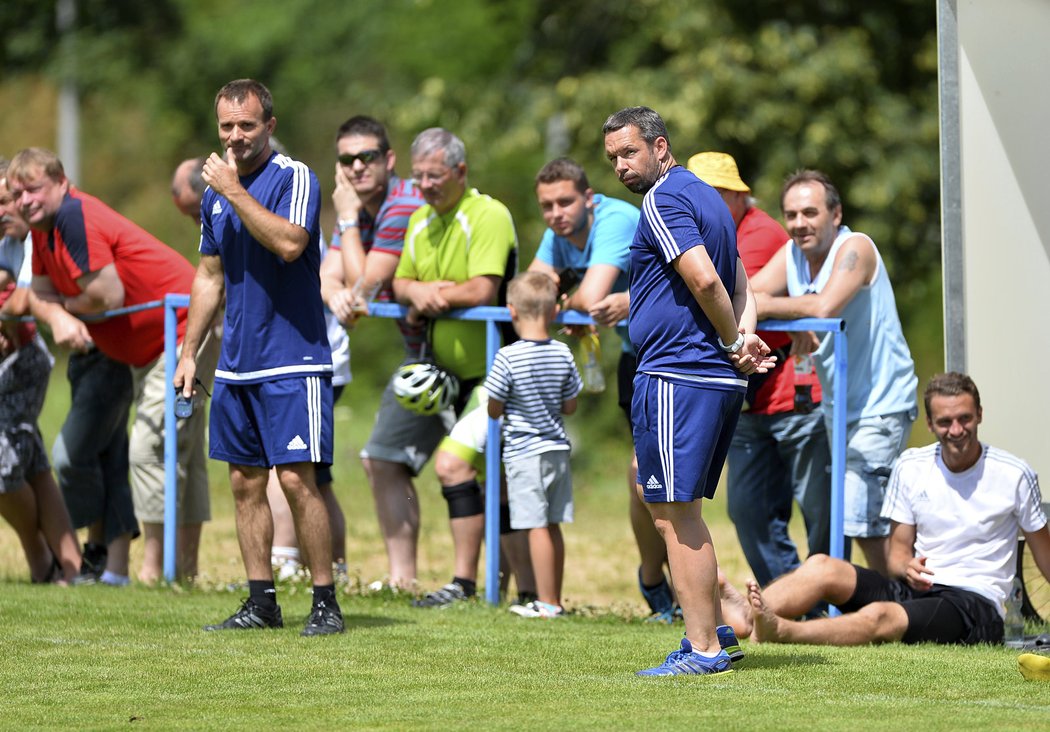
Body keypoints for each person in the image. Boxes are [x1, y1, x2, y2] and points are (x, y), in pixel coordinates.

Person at [602, 106, 772, 676]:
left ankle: (702, 649)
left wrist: (731, 343)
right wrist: (743, 338)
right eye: (613, 159)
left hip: (680, 373)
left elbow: (704, 279)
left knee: (676, 515)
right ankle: (707, 624)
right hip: (708, 376)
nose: (621, 167)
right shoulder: (706, 197)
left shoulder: (663, 199)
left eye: (629, 153)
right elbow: (741, 279)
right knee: (673, 512)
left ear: (660, 146)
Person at [175, 78, 343, 635]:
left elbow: (292, 243)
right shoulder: (212, 196)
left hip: (294, 359)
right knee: (244, 484)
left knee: (298, 481)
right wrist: (188, 351)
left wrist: (234, 191)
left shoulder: (294, 177)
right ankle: (261, 602)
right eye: (226, 125)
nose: (235, 135)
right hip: (236, 364)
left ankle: (324, 603)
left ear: (269, 125)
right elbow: (208, 276)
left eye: (246, 124)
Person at [8, 146, 218, 585]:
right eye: (17, 193)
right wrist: (57, 312)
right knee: (182, 451)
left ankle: (153, 573)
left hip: (181, 329)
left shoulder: (72, 217)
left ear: (62, 183)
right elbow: (42, 298)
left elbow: (107, 295)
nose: (25, 201)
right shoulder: (43, 231)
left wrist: (56, 309)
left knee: (152, 448)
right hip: (149, 347)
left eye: (34, 190)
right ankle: (184, 574)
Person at [745, 373, 1050, 647]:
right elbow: (896, 557)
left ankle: (782, 631)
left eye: (965, 418)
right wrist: (906, 568)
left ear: (980, 415)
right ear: (930, 424)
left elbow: (1045, 558)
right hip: (920, 590)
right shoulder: (911, 465)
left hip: (977, 603)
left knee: (880, 616)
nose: (956, 430)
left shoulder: (1014, 474)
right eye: (945, 422)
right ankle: (743, 620)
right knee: (822, 565)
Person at [751, 169, 918, 576]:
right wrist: (797, 315)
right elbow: (751, 293)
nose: (799, 224)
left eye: (810, 212)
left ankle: (895, 608)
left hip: (881, 402)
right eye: (790, 214)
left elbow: (823, 308)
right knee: (859, 513)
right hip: (839, 403)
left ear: (836, 214)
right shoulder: (793, 254)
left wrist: (786, 309)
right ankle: (890, 603)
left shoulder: (856, 248)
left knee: (861, 515)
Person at [686, 152, 830, 588]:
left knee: (819, 510)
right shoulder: (715, 228)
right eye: (698, 192)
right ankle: (789, 602)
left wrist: (798, 311)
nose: (702, 202)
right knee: (747, 511)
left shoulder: (760, 233)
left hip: (792, 391)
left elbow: (725, 296)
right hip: (751, 394)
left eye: (714, 193)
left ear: (737, 194)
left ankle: (823, 603)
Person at [390, 127, 518, 607]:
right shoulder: (419, 219)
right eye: (417, 175)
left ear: (461, 172)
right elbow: (402, 282)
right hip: (447, 377)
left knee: (453, 466)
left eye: (434, 175)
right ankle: (504, 590)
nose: (424, 185)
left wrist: (433, 293)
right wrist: (417, 291)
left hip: (497, 372)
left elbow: (484, 290)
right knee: (490, 482)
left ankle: (466, 584)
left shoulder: (488, 214)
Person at [320, 115, 426, 590]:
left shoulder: (402, 204)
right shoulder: (361, 207)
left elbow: (365, 282)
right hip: (422, 354)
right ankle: (402, 582)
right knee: (380, 458)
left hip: (467, 353)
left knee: (479, 474)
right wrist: (334, 295)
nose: (357, 166)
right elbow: (330, 276)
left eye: (366, 156)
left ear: (388, 159)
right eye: (347, 159)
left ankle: (508, 591)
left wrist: (345, 221)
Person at [0, 159, 81, 583]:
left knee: (7, 464)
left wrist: (8, 314)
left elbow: (24, 303)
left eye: (5, 200)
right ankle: (68, 564)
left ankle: (42, 558)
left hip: (25, 357)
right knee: (28, 460)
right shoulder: (7, 241)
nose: (1, 210)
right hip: (14, 355)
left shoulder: (37, 237)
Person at [485, 271, 582, 618]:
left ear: (511, 311)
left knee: (535, 525)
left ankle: (546, 603)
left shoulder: (508, 357)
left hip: (525, 453)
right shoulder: (563, 353)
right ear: (554, 310)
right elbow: (570, 405)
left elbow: (493, 407)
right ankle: (554, 597)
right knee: (552, 524)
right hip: (557, 448)